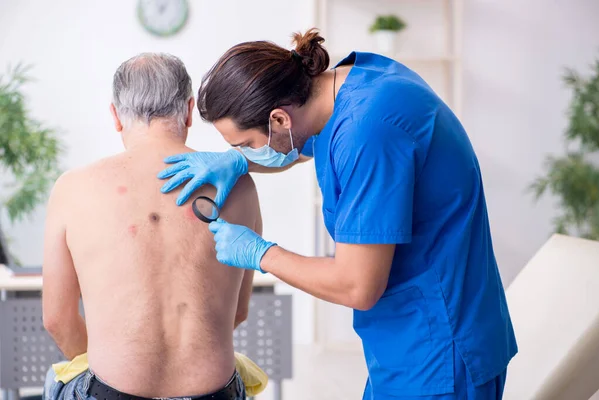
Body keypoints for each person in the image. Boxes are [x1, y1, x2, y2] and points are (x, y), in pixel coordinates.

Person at [158, 29, 518, 400]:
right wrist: (237, 161)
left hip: (440, 347)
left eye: (246, 144)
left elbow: (356, 285)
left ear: (279, 119)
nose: (249, 153)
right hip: (409, 335)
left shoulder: (368, 131)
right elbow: (303, 146)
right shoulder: (347, 86)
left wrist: (260, 253)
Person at [42, 53, 261, 400]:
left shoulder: (73, 188)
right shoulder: (239, 185)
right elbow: (238, 311)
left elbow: (57, 319)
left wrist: (115, 365)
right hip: (214, 392)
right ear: (189, 110)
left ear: (115, 116)